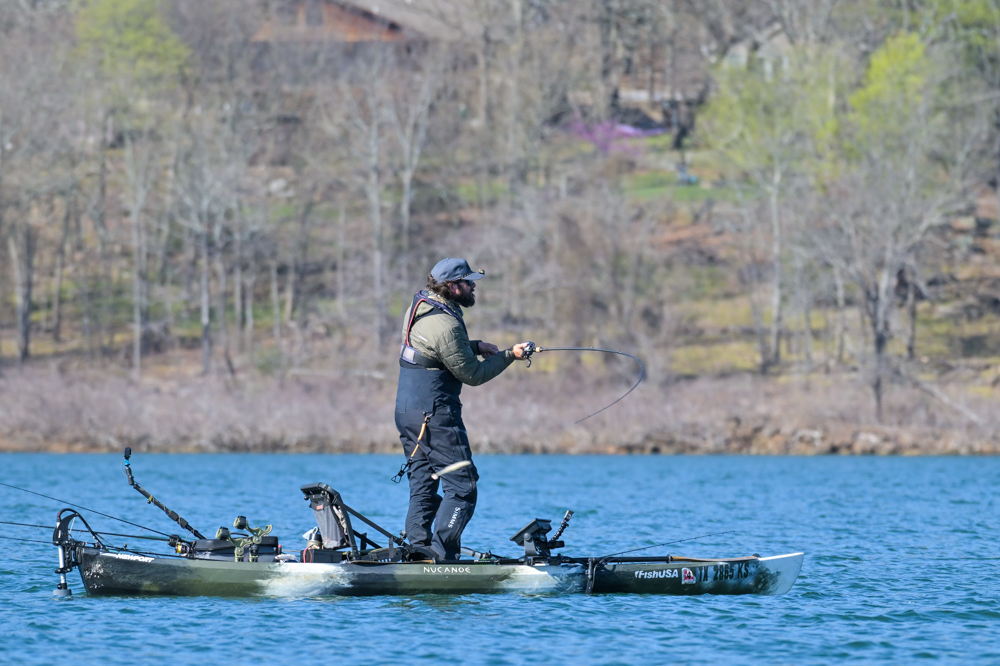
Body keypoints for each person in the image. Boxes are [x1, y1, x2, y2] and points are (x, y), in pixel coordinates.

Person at [395, 258, 529, 561]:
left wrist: (476, 346)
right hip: (435, 415)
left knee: (423, 484)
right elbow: (473, 375)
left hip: (408, 413)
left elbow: (436, 348)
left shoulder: (422, 304)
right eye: (468, 282)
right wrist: (510, 355)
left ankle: (418, 551)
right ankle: (442, 558)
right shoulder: (445, 325)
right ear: (452, 286)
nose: (473, 287)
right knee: (463, 486)